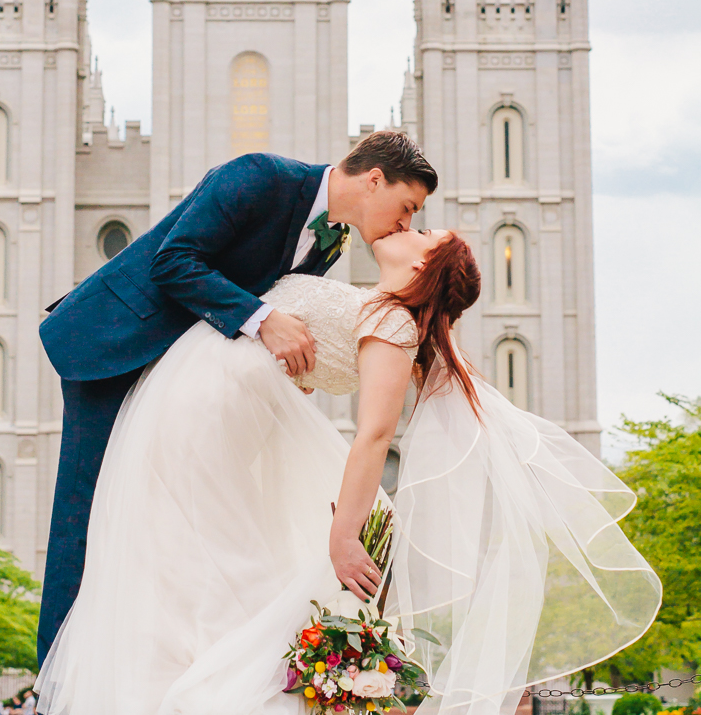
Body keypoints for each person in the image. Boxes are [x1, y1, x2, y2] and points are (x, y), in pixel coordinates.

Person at [36, 228, 661, 715]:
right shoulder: (377, 308)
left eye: (424, 234)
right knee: (190, 583)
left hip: (204, 427)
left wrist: (344, 537)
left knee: (196, 583)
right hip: (200, 413)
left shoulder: (392, 324)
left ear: (423, 267)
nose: (409, 228)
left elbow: (375, 434)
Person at [37, 131, 438, 663]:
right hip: (119, 349)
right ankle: (54, 689)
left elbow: (276, 304)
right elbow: (174, 261)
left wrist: (291, 363)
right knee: (86, 518)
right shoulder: (260, 176)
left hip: (191, 385)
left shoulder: (331, 241)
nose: (405, 223)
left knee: (161, 524)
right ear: (374, 179)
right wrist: (265, 321)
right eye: (407, 207)